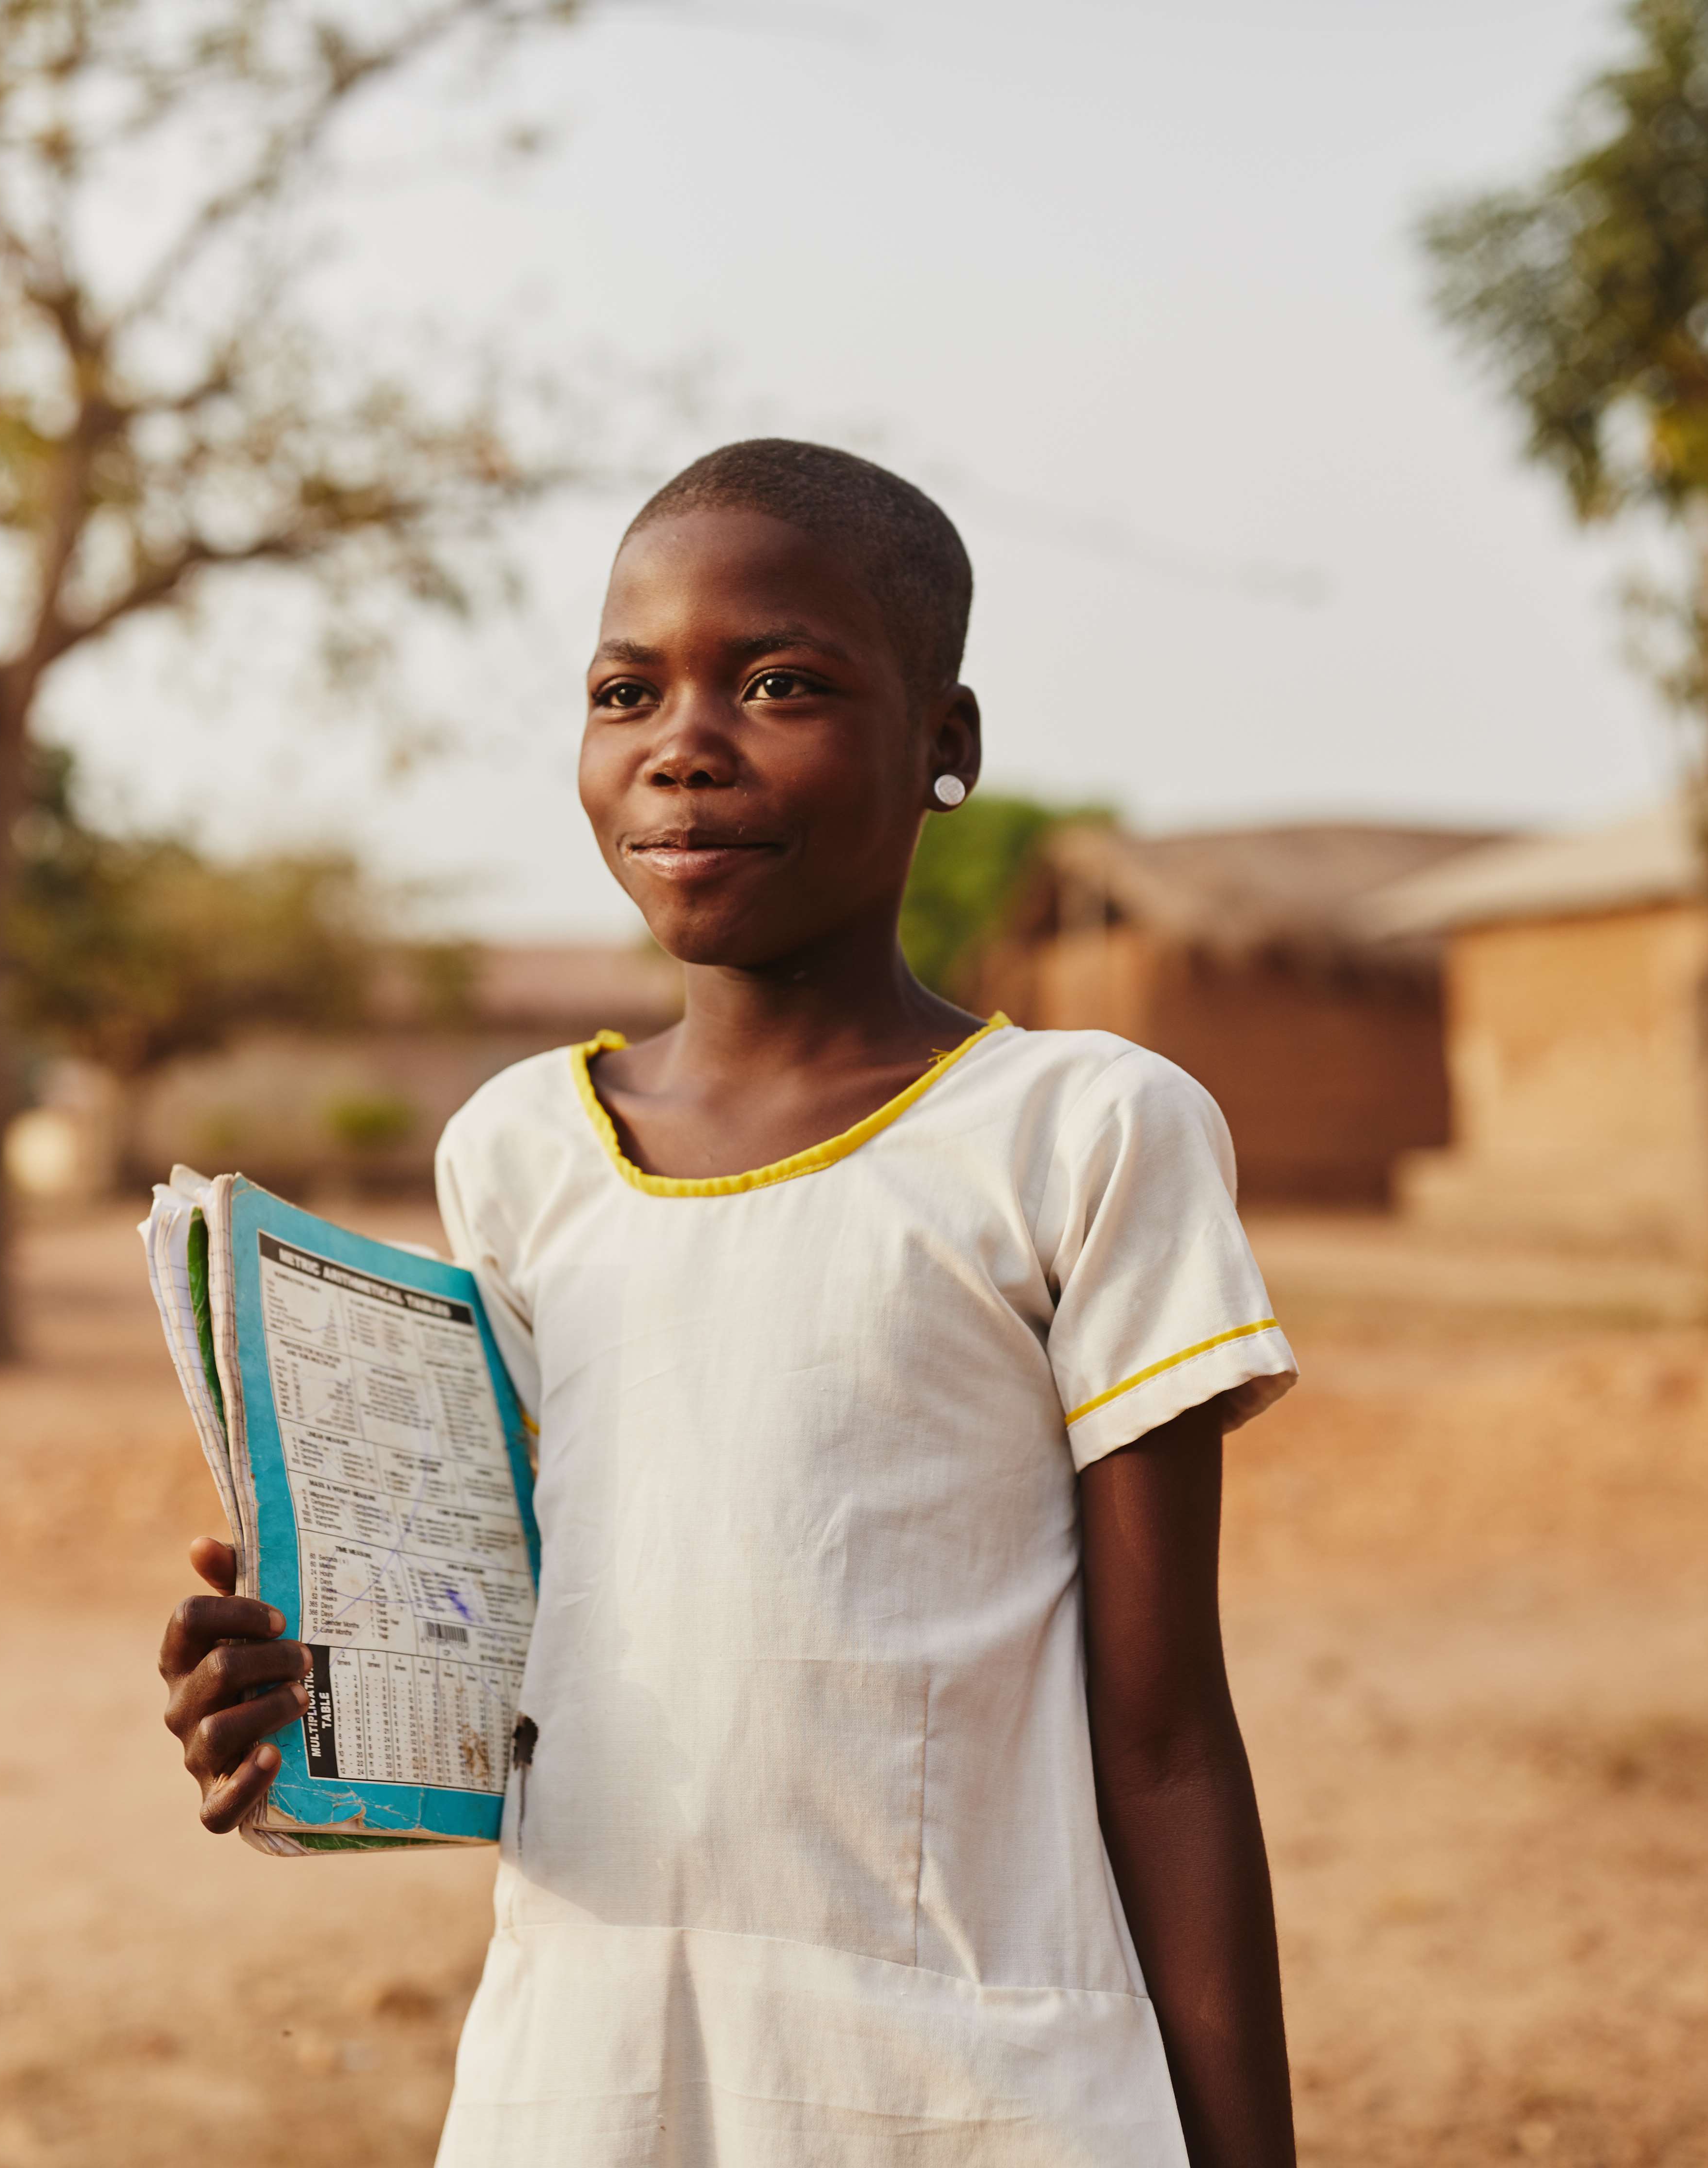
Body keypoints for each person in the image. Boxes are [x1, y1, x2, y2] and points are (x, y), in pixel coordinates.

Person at [158, 440, 1301, 2167]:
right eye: (628, 689)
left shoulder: (1082, 1133)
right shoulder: (518, 1153)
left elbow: (1163, 1742)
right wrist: (299, 1694)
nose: (683, 743)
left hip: (961, 2089)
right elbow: (520, 1684)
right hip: (589, 2076)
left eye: (780, 684)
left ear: (947, 748)